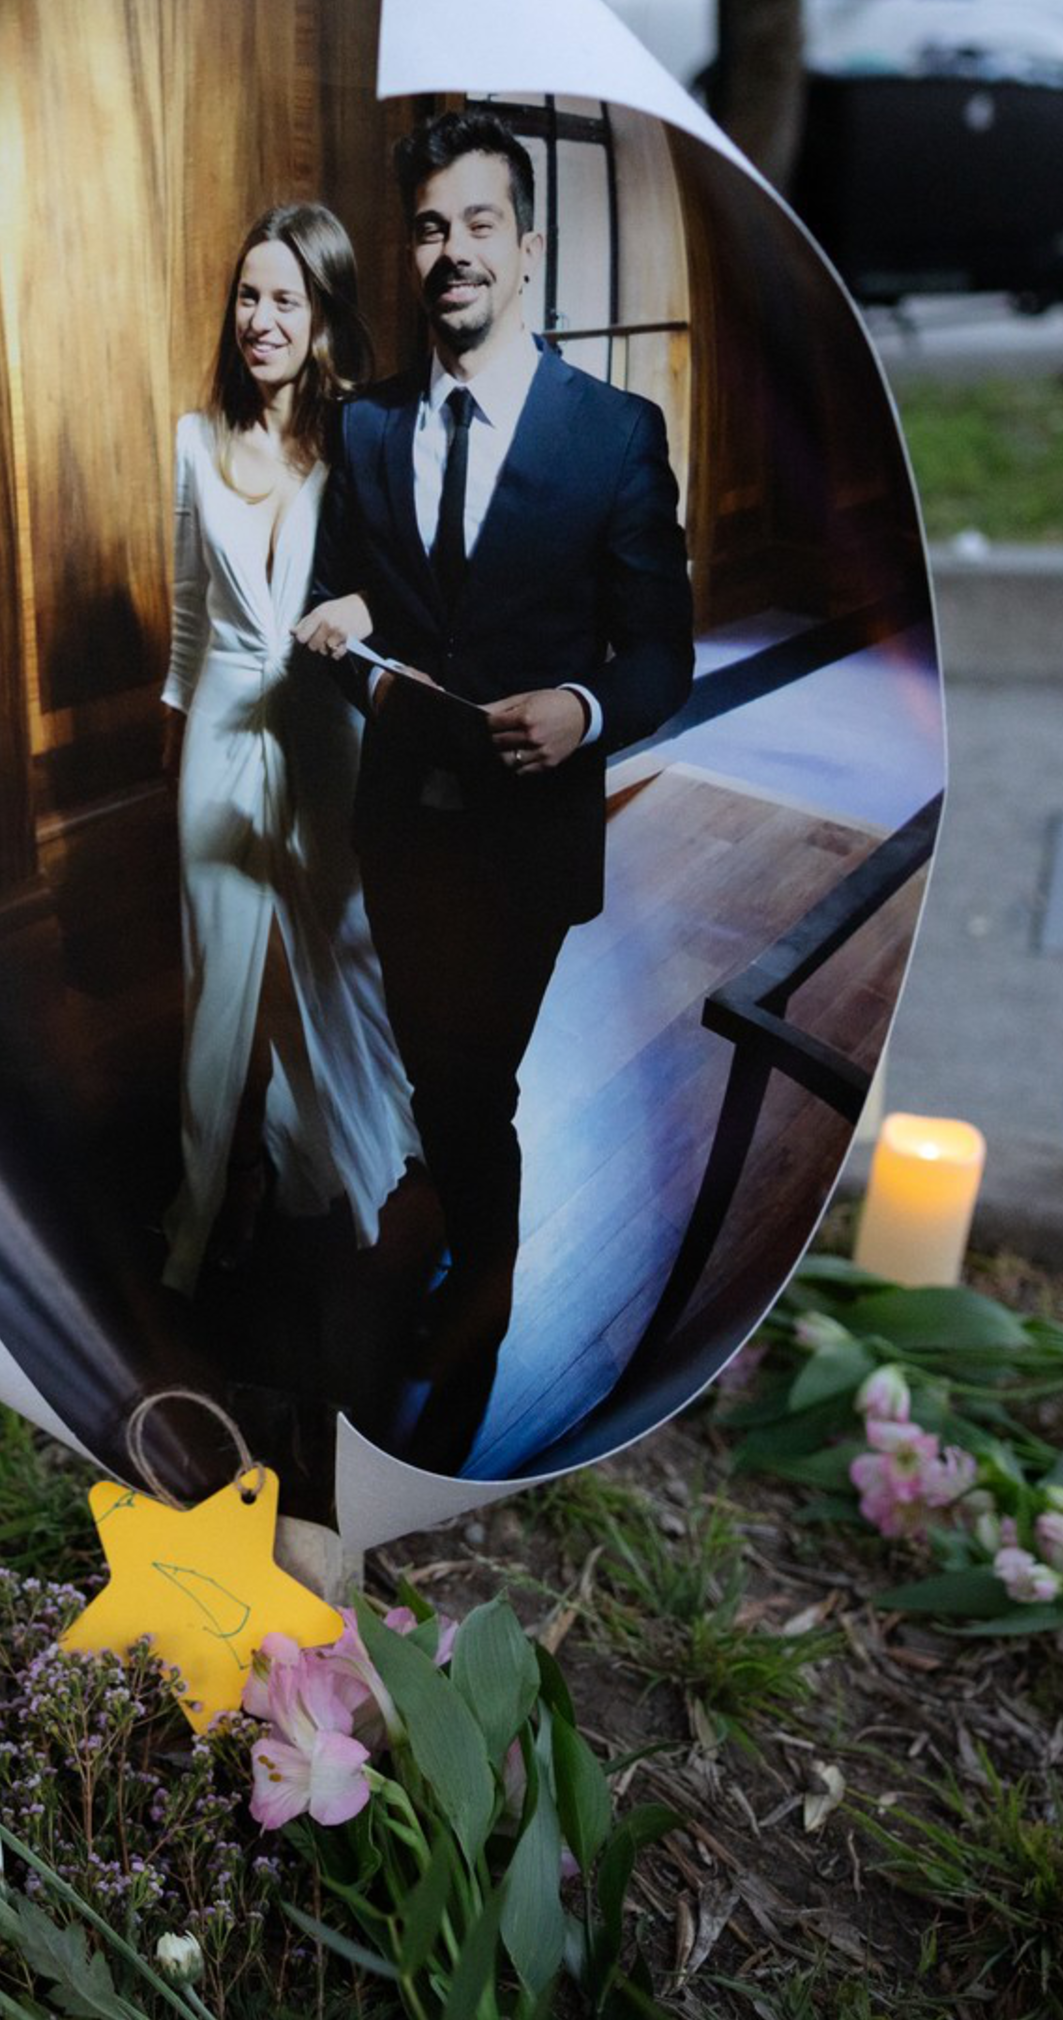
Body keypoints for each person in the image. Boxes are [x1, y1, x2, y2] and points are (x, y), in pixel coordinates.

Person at [290, 107, 694, 1471]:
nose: (449, 252)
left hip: (529, 835)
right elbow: (338, 599)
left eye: (476, 225)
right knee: (433, 1057)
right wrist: (342, 644)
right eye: (427, 229)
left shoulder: (614, 436)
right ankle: (451, 1196)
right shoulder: (360, 434)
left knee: (474, 1072)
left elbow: (662, 657)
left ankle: (485, 1276)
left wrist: (583, 712)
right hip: (400, 822)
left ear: (525, 247)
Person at [158, 203, 416, 1296]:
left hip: (322, 734)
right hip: (218, 731)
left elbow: (403, 593)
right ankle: (197, 1213)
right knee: (218, 985)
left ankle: (346, 1172)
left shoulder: (359, 438)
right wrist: (172, 741)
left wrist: (356, 607)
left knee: (340, 955)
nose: (260, 318)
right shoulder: (191, 437)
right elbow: (183, 612)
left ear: (321, 320)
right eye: (248, 295)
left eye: (286, 300)